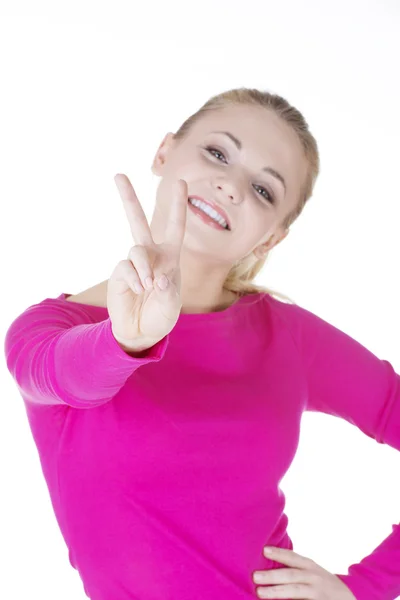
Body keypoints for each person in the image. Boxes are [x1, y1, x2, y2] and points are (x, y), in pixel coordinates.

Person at [4, 87, 400, 600]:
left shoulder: (287, 338)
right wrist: (128, 339)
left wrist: (365, 588)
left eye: (264, 191)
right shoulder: (49, 329)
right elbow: (64, 376)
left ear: (271, 238)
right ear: (164, 152)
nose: (230, 186)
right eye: (217, 153)